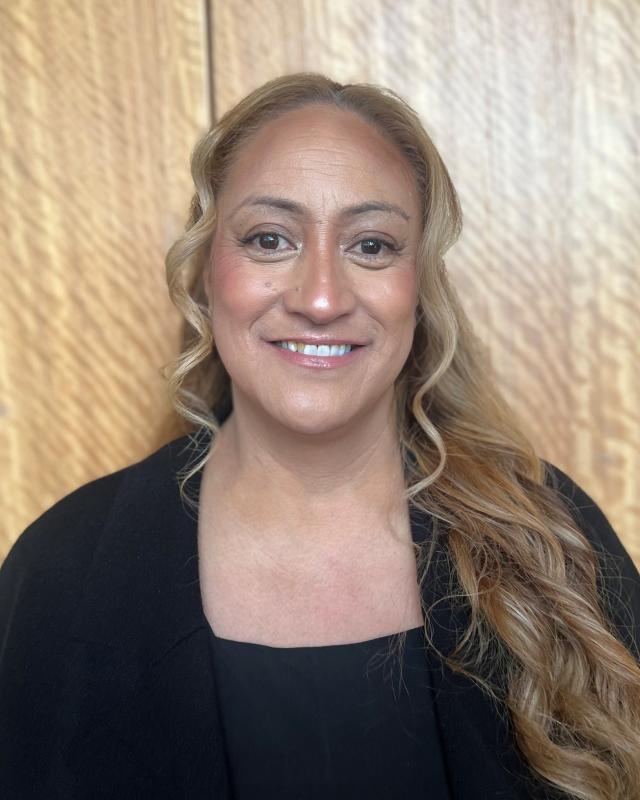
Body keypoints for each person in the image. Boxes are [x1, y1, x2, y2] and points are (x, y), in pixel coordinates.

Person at [1, 73, 639, 800]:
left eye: (371, 245)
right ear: (208, 274)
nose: (322, 298)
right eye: (270, 239)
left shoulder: (553, 542)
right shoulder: (62, 571)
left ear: (420, 290)